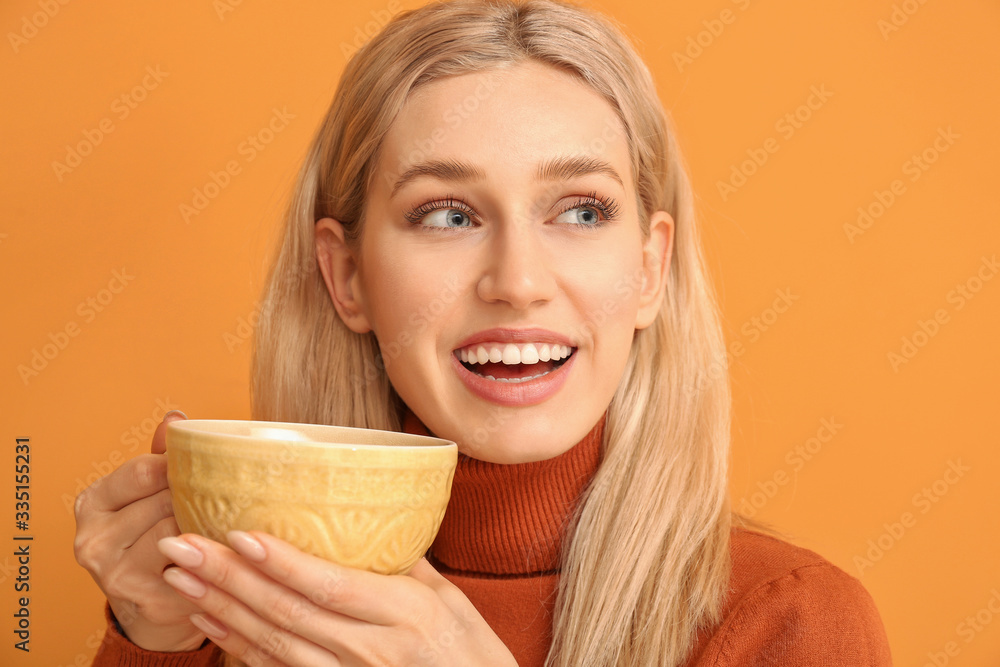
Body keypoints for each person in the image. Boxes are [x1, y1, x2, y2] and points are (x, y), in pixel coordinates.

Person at [73, 0, 894, 665]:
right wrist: (152, 644)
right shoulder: (226, 618)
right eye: (449, 214)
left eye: (581, 210)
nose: (519, 281)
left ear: (650, 268)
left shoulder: (791, 625)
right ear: (347, 276)